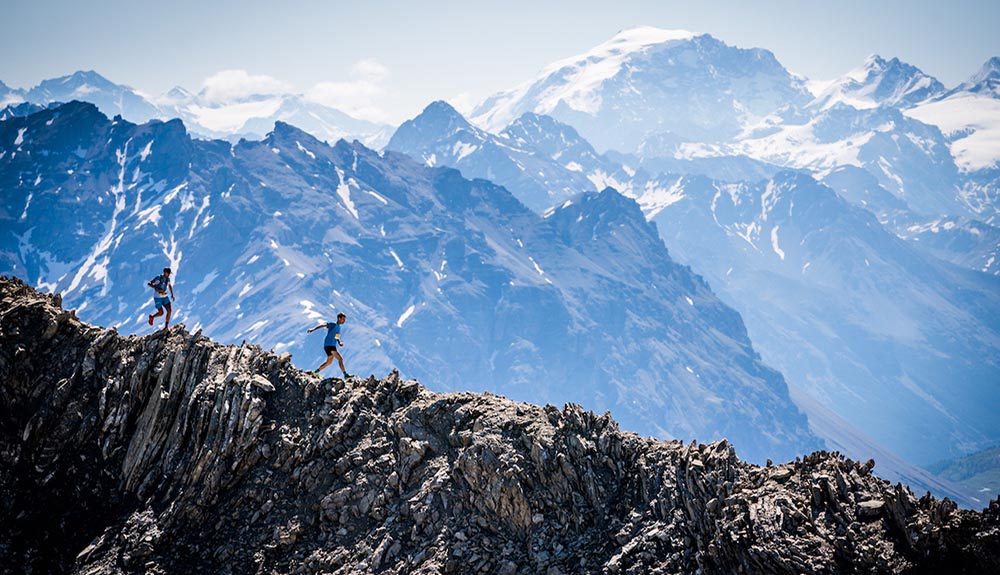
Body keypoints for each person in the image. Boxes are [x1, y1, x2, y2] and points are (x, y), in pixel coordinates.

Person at [307, 312, 353, 378]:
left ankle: (315, 372)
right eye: (343, 319)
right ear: (339, 318)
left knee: (329, 362)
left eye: (344, 320)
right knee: (340, 359)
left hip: (331, 346)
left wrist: (339, 342)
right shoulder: (333, 324)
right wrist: (313, 329)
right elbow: (323, 325)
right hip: (329, 345)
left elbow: (336, 336)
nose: (344, 321)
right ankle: (345, 375)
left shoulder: (339, 327)